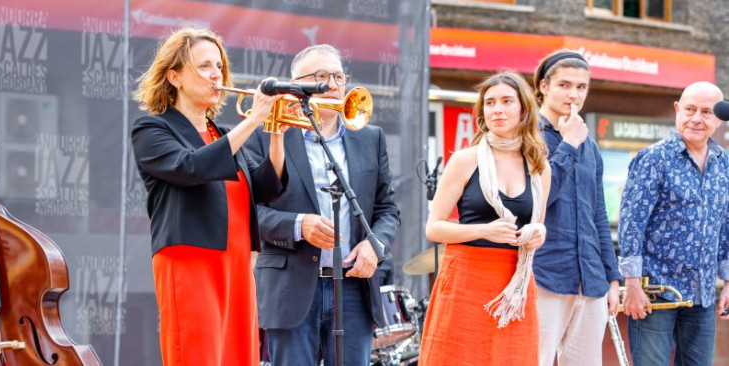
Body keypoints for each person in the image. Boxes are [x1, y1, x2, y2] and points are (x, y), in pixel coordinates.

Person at [131, 27, 288, 366]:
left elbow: (264, 189)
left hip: (237, 262)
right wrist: (256, 119)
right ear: (175, 77)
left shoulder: (224, 133)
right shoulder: (152, 130)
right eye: (204, 66)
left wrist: (275, 134)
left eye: (219, 66)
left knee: (238, 356)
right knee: (196, 355)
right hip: (190, 258)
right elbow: (192, 167)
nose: (216, 74)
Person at [245, 44, 400, 366]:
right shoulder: (264, 134)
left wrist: (375, 245)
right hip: (291, 288)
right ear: (295, 85)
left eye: (338, 75)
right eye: (320, 76)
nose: (331, 84)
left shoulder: (371, 138)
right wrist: (299, 226)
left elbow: (387, 209)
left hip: (354, 288)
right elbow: (249, 211)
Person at [419, 71, 551, 365]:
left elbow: (535, 226)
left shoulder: (539, 165)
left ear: (524, 109)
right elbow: (434, 228)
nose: (497, 109)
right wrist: (485, 230)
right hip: (466, 279)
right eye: (489, 103)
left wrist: (539, 233)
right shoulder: (465, 159)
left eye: (506, 101)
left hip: (514, 283)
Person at [618, 81, 729, 366]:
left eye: (706, 112)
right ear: (677, 110)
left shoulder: (724, 165)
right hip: (655, 295)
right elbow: (632, 223)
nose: (696, 118)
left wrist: (728, 279)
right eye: (690, 109)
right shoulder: (652, 159)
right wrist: (631, 285)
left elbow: (725, 224)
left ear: (718, 119)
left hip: (702, 295)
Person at [531, 49, 622, 366]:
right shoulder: (527, 137)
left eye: (581, 87)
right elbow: (538, 201)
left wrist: (612, 277)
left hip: (591, 278)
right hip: (544, 274)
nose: (574, 94)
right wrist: (568, 144)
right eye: (565, 85)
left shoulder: (590, 145)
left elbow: (598, 214)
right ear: (544, 86)